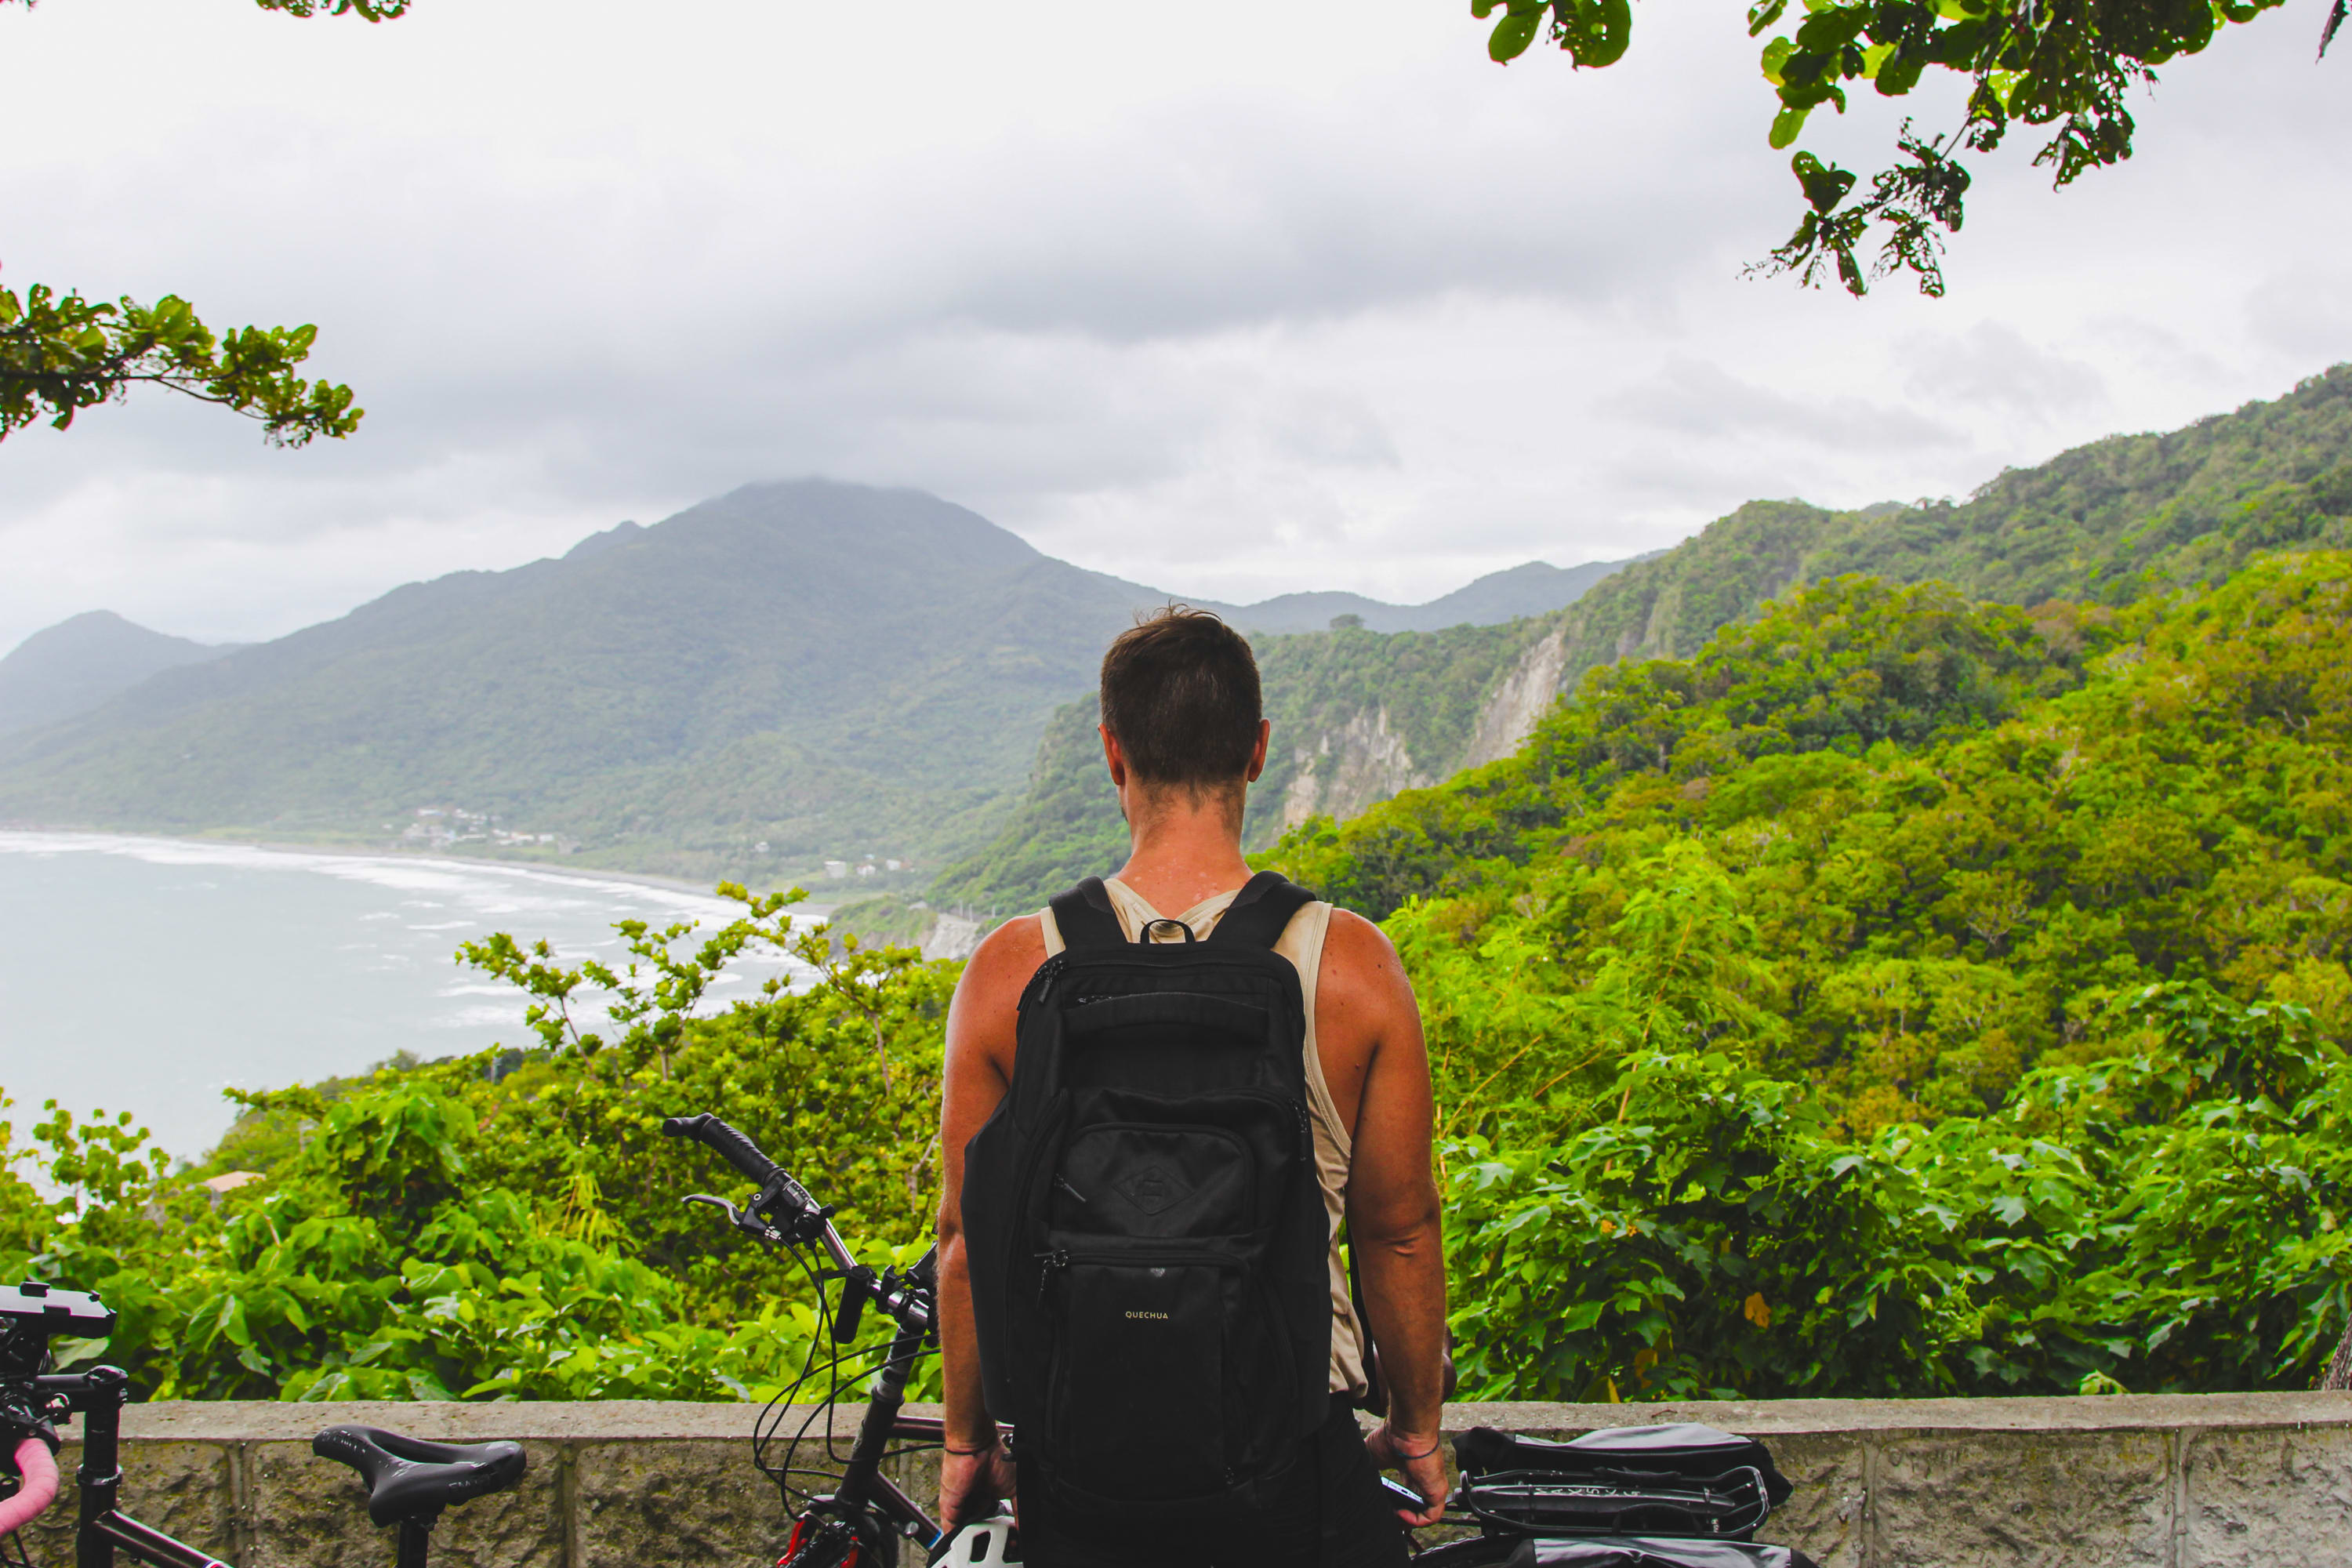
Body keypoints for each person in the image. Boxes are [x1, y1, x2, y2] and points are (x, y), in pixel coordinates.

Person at [935, 606, 1450, 1566]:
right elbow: (1400, 1228)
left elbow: (965, 1239)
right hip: (1293, 1458)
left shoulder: (1012, 970)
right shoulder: (1350, 966)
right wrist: (1414, 1426)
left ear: (1110, 751)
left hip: (1080, 1463)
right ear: (1257, 751)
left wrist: (968, 1438)